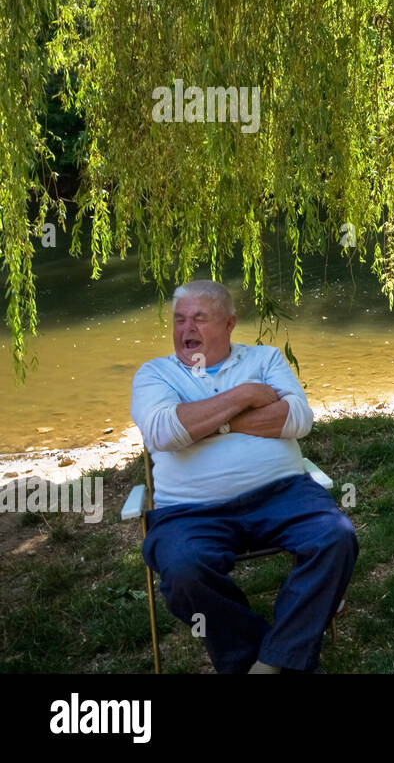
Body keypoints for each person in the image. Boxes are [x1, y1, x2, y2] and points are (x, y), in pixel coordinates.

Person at [130, 279, 357, 674]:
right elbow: (164, 432)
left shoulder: (265, 360)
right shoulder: (155, 375)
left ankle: (266, 665)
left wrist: (203, 421)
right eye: (180, 320)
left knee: (335, 537)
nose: (187, 330)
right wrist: (244, 396)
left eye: (200, 319)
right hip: (190, 512)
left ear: (230, 323)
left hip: (283, 493)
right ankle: (267, 656)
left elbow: (298, 420)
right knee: (184, 570)